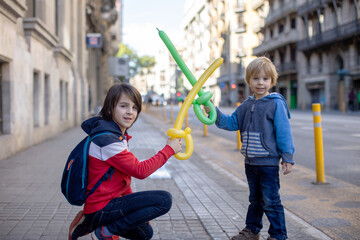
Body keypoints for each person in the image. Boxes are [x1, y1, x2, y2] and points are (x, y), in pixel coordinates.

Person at [68, 83, 182, 240]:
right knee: (164, 200)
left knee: (144, 233)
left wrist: (136, 209)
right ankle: (102, 232)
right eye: (124, 106)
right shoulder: (107, 140)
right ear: (109, 109)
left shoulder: (115, 135)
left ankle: (87, 224)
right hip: (101, 206)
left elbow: (123, 179)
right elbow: (140, 171)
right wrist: (169, 150)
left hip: (108, 204)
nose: (130, 112)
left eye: (135, 108)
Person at [205, 56, 295, 240]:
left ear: (272, 81)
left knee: (271, 202)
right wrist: (214, 112)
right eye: (256, 78)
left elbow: (284, 132)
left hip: (268, 164)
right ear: (249, 81)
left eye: (265, 79)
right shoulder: (246, 105)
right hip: (250, 163)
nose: (260, 83)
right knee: (255, 200)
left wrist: (287, 157)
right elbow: (230, 123)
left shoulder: (275, 103)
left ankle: (279, 235)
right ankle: (252, 230)